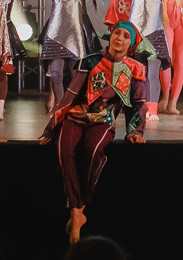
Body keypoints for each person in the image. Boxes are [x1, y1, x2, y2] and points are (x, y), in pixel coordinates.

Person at [41, 21, 148, 243]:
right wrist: (52, 127)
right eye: (117, 33)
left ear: (132, 44)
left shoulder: (135, 69)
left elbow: (137, 104)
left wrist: (135, 131)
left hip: (104, 120)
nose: (119, 38)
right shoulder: (90, 61)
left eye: (125, 36)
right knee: (64, 150)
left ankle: (79, 205)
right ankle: (76, 211)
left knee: (92, 150)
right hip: (76, 115)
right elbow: (69, 95)